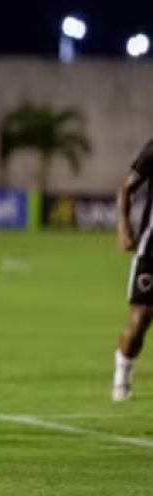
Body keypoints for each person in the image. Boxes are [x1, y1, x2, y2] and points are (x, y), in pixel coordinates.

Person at [114, 138, 153, 401]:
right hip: (152, 251)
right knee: (139, 322)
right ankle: (123, 373)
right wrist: (124, 228)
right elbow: (127, 189)